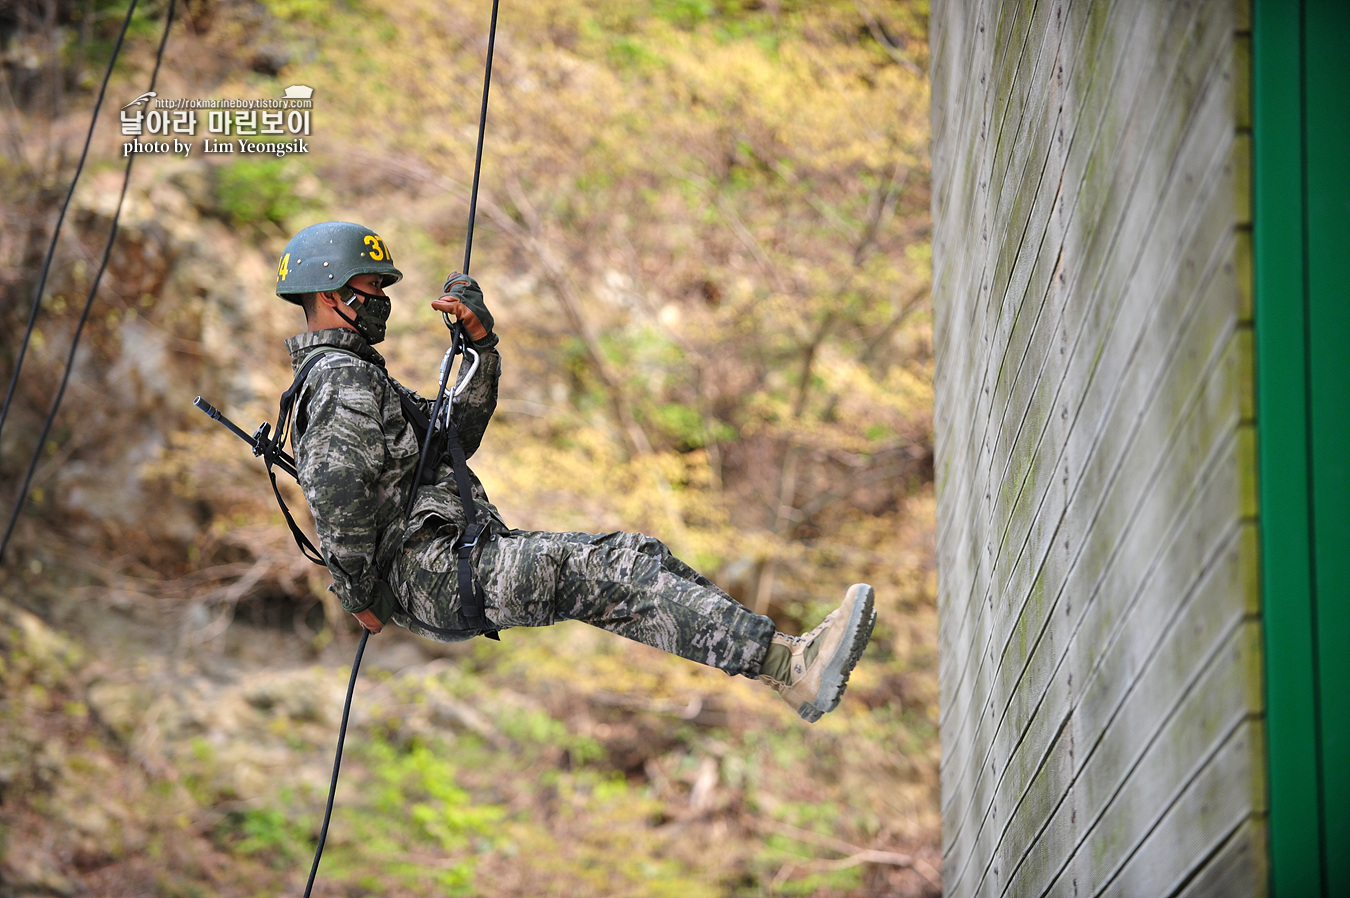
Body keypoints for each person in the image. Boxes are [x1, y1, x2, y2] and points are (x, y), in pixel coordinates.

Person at [274, 221, 876, 722]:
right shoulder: (339, 376)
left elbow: (451, 440)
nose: (382, 298)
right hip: (424, 573)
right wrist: (358, 595)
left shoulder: (357, 375)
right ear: (330, 291)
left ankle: (786, 665)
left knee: (638, 555)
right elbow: (337, 497)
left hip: (439, 566)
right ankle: (787, 666)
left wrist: (481, 349)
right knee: (607, 569)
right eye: (371, 285)